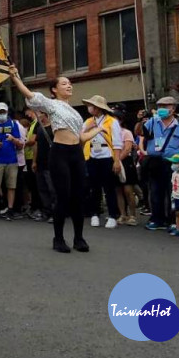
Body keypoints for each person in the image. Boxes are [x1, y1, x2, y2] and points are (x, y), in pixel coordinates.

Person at [8, 67, 105, 253]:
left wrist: (97, 130)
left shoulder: (75, 112)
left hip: (76, 153)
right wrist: (16, 77)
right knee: (62, 196)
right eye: (64, 83)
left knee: (78, 197)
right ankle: (58, 238)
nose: (69, 85)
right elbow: (29, 94)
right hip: (60, 153)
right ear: (54, 89)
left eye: (69, 83)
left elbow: (82, 138)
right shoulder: (51, 105)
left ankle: (79, 238)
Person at [141, 97, 179, 231]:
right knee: (155, 191)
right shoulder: (152, 122)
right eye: (160, 106)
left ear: (173, 108)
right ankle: (157, 219)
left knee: (173, 192)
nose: (162, 109)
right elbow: (142, 135)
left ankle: (173, 221)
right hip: (154, 161)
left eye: (165, 106)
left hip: (173, 163)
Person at [81, 95, 122, 229]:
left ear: (98, 108)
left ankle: (112, 215)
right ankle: (95, 214)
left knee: (109, 187)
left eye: (91, 105)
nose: (89, 108)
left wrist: (116, 160)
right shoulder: (87, 121)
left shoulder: (111, 121)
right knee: (94, 187)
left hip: (107, 156)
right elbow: (80, 138)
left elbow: (117, 143)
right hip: (91, 156)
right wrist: (88, 128)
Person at [0, 102, 24, 221]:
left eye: (3, 111)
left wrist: (13, 139)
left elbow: (20, 143)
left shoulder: (13, 124)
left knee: (11, 186)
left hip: (12, 160)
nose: (2, 114)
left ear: (7, 112)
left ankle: (11, 209)